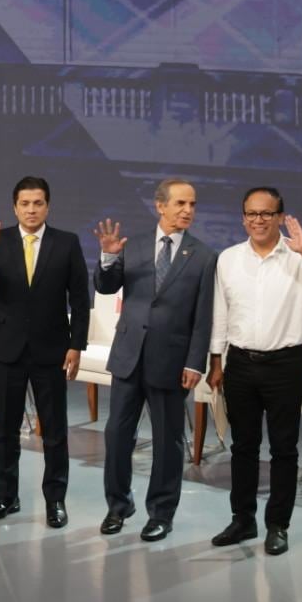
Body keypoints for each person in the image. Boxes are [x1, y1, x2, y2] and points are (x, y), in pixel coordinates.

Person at [208, 187, 302, 557]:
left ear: (280, 217)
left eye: (266, 214)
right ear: (243, 218)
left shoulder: (298, 256)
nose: (258, 220)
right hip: (239, 364)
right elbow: (220, 313)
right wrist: (216, 360)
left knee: (284, 449)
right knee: (243, 447)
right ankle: (243, 519)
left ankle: (277, 525)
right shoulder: (229, 259)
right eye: (251, 214)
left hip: (285, 364)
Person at [93, 179, 217, 542]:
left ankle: (161, 513)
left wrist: (196, 363)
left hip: (172, 363)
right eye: (180, 203)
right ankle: (118, 506)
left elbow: (203, 317)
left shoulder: (204, 256)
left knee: (168, 441)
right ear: (160, 206)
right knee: (117, 435)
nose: (187, 211)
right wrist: (109, 257)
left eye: (192, 204)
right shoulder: (134, 245)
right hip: (129, 357)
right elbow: (106, 287)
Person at [0, 175, 90, 528]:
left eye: (38, 203)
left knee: (54, 431)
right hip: (6, 349)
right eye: (25, 203)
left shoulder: (66, 243)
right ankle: (7, 497)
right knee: (5, 430)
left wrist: (76, 345)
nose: (31, 209)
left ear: (47, 206)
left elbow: (80, 301)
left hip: (51, 350)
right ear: (15, 207)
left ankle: (55, 501)